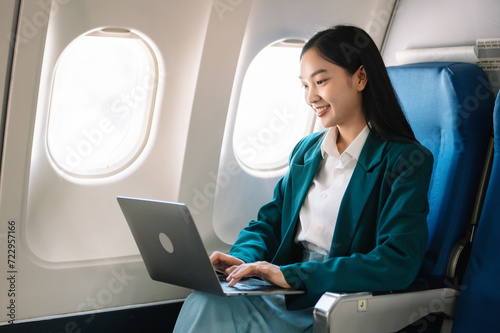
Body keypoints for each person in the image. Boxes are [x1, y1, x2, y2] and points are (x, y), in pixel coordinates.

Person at [173, 25, 433, 332]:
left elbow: (397, 260)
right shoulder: (306, 151)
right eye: (304, 86)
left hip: (338, 300)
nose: (311, 97)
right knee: (206, 300)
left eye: (321, 81)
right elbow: (269, 224)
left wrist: (293, 276)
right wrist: (241, 261)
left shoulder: (404, 161)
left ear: (360, 78)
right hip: (287, 287)